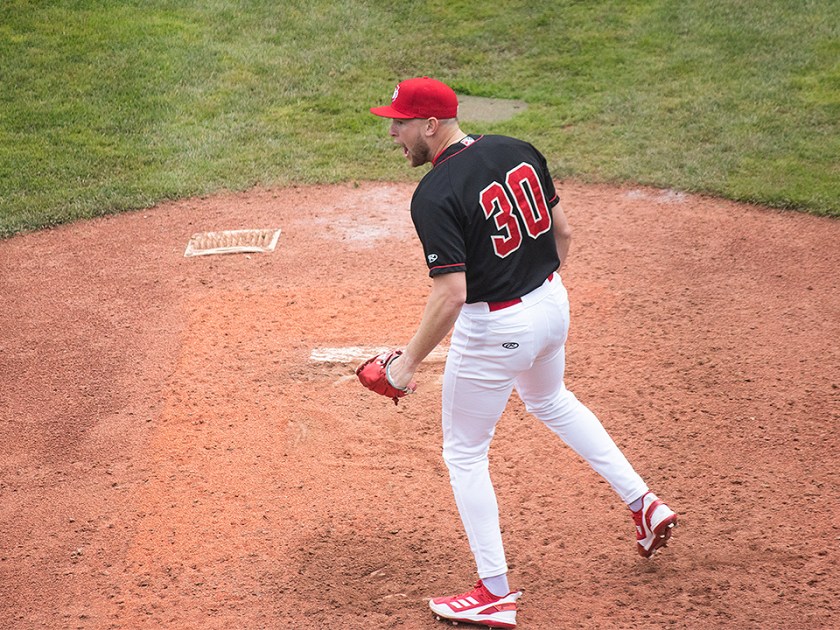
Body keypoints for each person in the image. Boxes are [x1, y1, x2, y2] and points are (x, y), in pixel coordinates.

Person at [369, 76, 677, 629]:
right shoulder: (518, 149)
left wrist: (405, 365)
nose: (394, 132)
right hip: (552, 304)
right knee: (553, 400)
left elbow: (452, 293)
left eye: (401, 122)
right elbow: (561, 235)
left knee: (464, 454)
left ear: (431, 124)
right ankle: (644, 503)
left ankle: (494, 593)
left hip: (495, 329)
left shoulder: (434, 194)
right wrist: (537, 296)